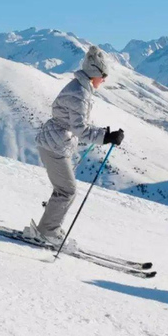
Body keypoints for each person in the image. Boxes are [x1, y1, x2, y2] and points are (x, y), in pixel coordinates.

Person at [24, 45, 125, 247]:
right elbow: (80, 130)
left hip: (55, 143)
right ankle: (47, 231)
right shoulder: (80, 94)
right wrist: (107, 137)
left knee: (65, 189)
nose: (104, 79)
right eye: (103, 75)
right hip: (55, 146)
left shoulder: (80, 89)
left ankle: (49, 227)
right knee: (67, 190)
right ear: (95, 72)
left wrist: (104, 134)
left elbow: (76, 125)